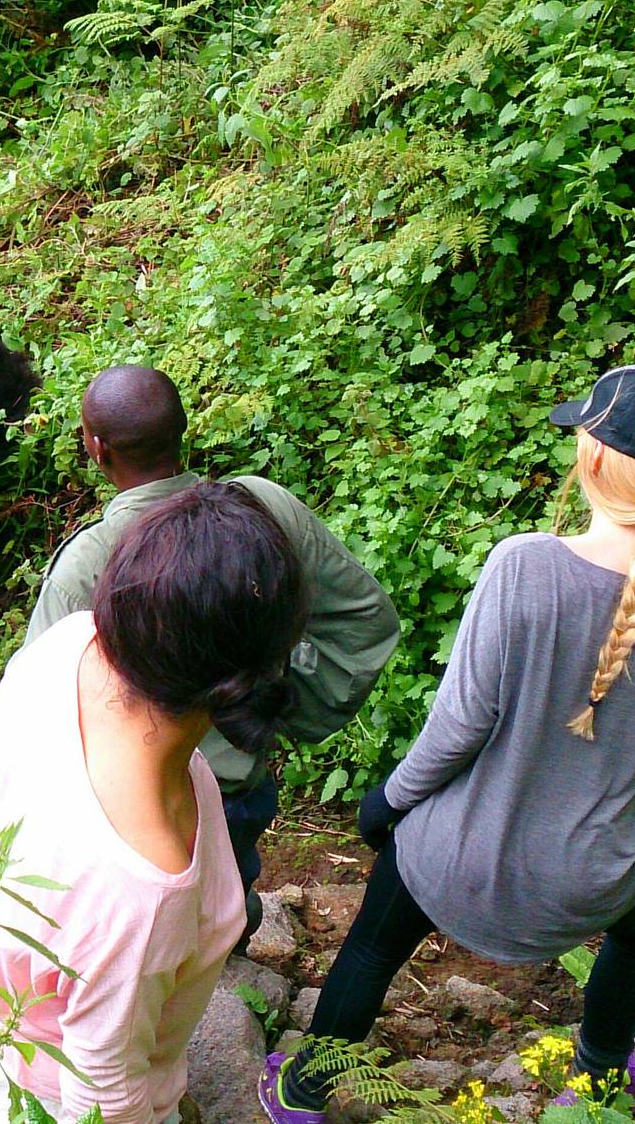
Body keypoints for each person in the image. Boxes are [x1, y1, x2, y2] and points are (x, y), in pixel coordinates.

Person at [259, 365, 635, 1122]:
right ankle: (601, 1082)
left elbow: (459, 727)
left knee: (375, 942)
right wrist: (606, 811)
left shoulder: (523, 564)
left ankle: (303, 1087)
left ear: (590, 459)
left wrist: (385, 802)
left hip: (459, 861)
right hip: (590, 878)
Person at [0, 482, 307, 1124]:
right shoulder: (144, 885)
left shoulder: (69, 645)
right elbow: (102, 1092)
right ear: (255, 670)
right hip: (29, 1100)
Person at [24, 365, 401, 937]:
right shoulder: (264, 507)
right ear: (184, 431)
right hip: (237, 789)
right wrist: (273, 692)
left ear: (95, 448)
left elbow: (40, 719)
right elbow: (364, 623)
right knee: (224, 906)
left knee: (138, 936)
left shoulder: (89, 562)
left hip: (131, 808)